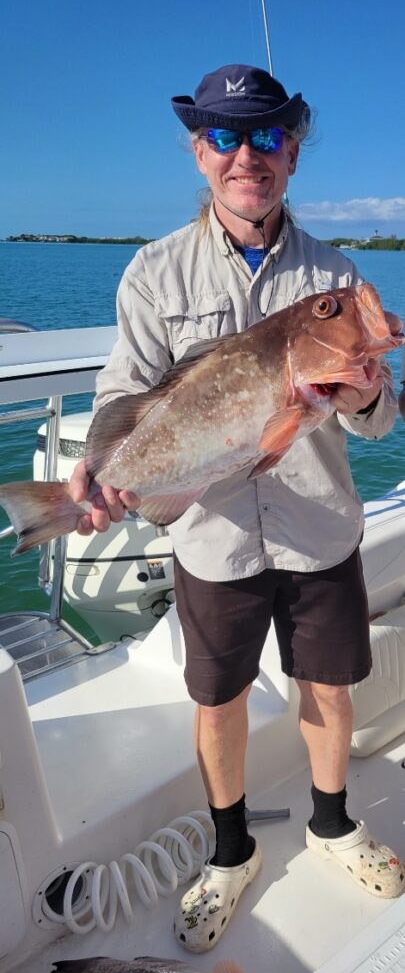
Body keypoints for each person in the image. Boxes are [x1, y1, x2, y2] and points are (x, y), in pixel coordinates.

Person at [70, 64, 404, 953]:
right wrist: (98, 472)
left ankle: (332, 825)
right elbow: (122, 388)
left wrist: (367, 386)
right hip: (211, 540)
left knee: (327, 684)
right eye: (225, 136)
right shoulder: (152, 272)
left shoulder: (335, 272)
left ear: (292, 156)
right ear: (199, 152)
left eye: (266, 136)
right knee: (215, 699)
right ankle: (227, 851)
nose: (245, 154)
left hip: (317, 529)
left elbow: (377, 423)